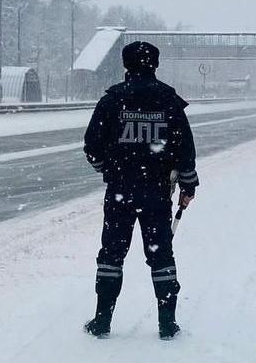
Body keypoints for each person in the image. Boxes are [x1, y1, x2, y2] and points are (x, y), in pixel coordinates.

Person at [83, 41, 198, 340]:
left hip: (120, 191)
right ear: (155, 65)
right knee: (161, 257)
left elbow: (92, 145)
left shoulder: (112, 100)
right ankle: (167, 324)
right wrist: (188, 185)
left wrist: (107, 169)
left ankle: (102, 321)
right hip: (157, 193)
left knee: (111, 255)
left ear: (126, 65)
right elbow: (185, 149)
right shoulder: (169, 101)